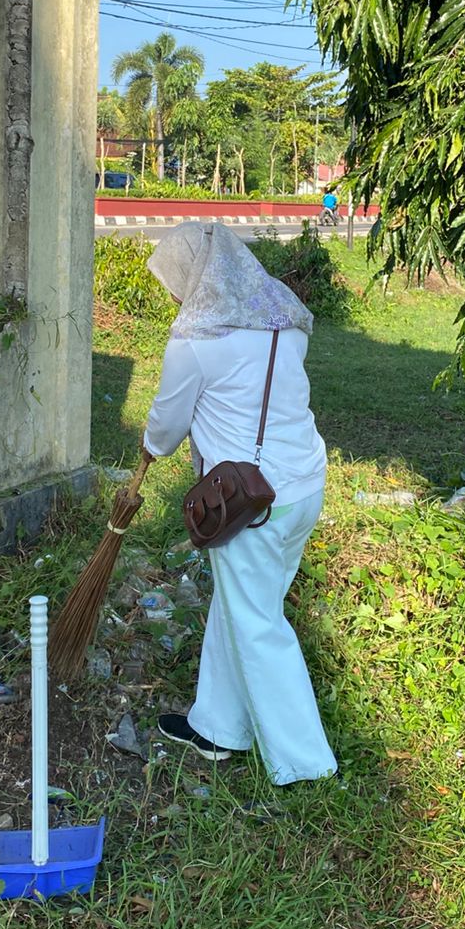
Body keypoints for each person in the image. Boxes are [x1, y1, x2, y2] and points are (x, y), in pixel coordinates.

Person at [142, 223, 337, 785]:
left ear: (194, 275)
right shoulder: (284, 322)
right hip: (302, 487)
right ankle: (217, 728)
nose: (174, 295)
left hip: (247, 504)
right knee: (243, 606)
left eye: (175, 282)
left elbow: (167, 427)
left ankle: (305, 763)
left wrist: (148, 446)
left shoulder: (195, 343)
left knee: (258, 624)